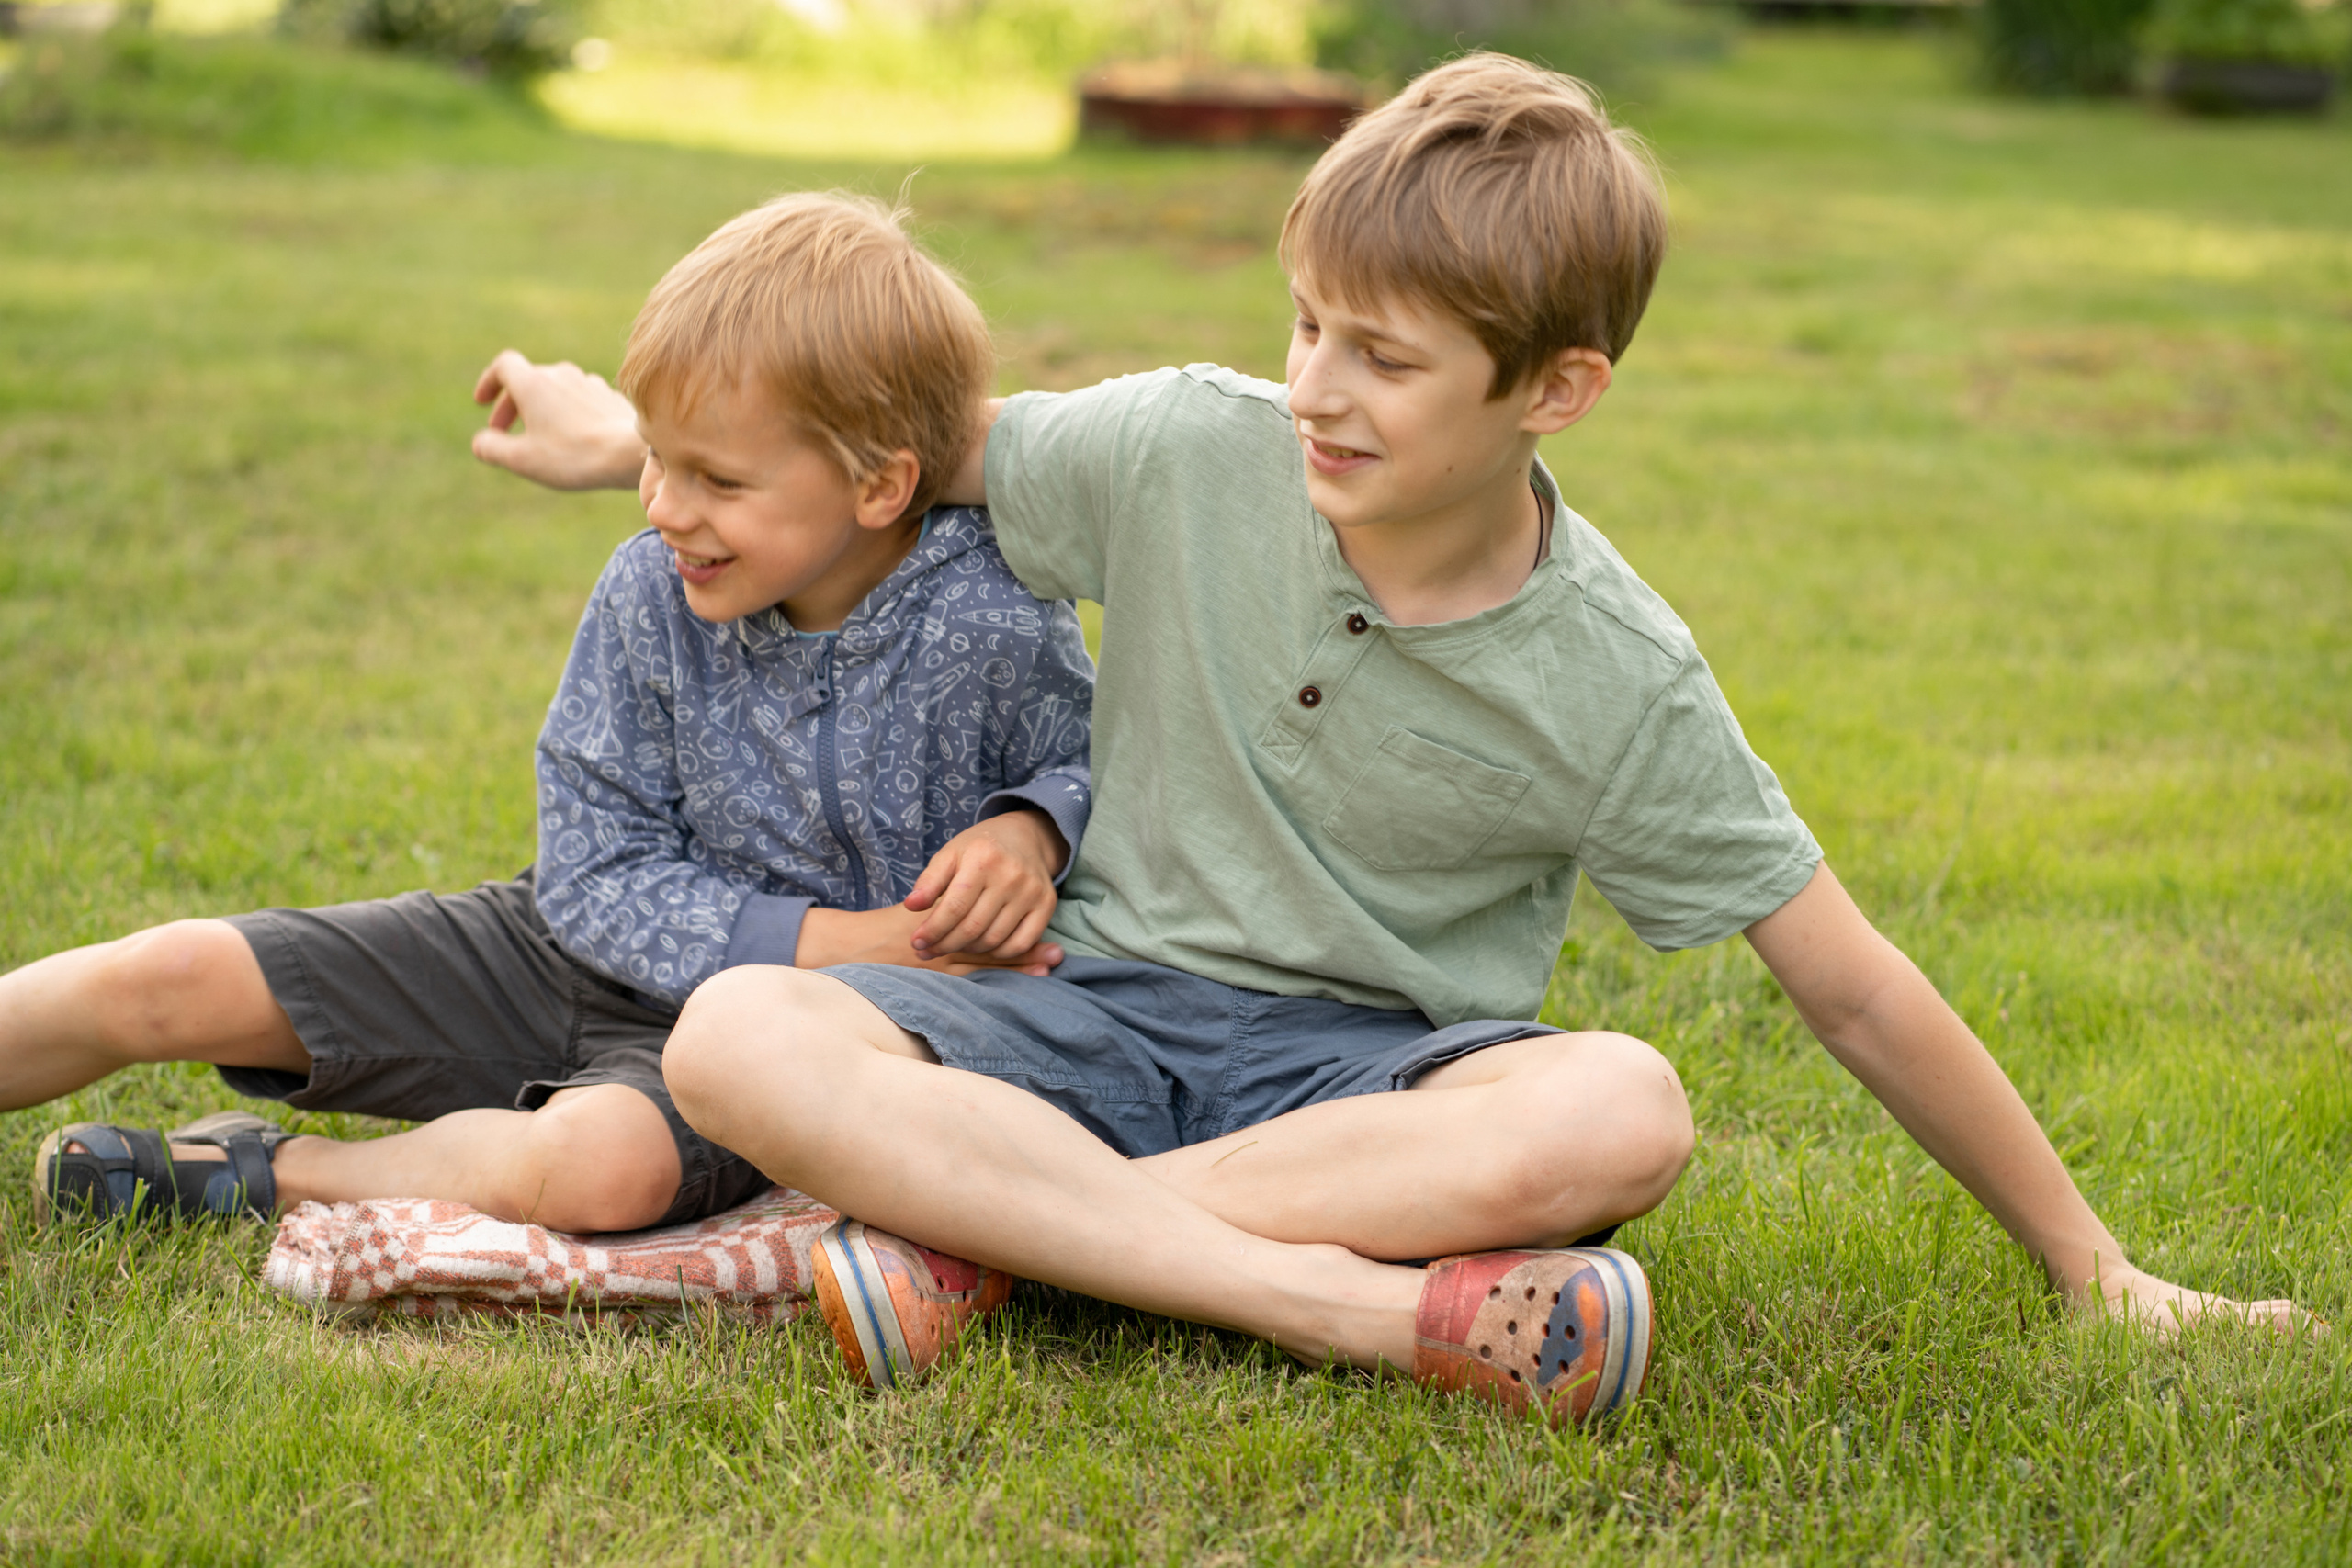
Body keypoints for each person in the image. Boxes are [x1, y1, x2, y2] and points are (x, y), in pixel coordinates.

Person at [472, 57, 2306, 1423]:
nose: (1320, 392)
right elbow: (862, 442)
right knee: (737, 1027)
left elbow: (1849, 990)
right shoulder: (1192, 446)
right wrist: (610, 442)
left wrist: (2092, 1264)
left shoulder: (1616, 674)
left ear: (1556, 390)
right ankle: (1341, 1311)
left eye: (1388, 358)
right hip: (1082, 1012)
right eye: (1307, 327)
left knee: (1618, 1103)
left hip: (1362, 1083)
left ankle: (972, 1241)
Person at [6, 193, 1094, 1237]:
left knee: (592, 1167)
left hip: (775, 1048)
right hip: (560, 951)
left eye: (715, 477)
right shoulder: (648, 592)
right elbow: (590, 868)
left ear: (880, 485)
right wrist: (857, 939)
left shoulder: (992, 612)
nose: (666, 506)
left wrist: (1029, 827)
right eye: (655, 458)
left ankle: (276, 1176)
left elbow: (1097, 763)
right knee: (167, 976)